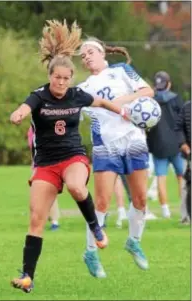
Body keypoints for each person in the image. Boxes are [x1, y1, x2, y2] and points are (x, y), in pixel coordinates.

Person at [10, 20, 127, 293]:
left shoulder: (76, 95)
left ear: (71, 77)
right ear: (50, 76)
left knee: (76, 187)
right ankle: (27, 276)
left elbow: (99, 102)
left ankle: (95, 227)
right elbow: (25, 107)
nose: (61, 82)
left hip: (73, 157)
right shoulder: (39, 96)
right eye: (56, 77)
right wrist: (18, 114)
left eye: (66, 78)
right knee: (37, 219)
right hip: (46, 164)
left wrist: (121, 111)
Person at [78, 37, 154, 277]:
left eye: (90, 51)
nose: (86, 56)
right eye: (83, 55)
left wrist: (117, 103)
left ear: (102, 54)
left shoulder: (122, 70)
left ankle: (134, 241)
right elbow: (68, 113)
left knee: (141, 198)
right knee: (101, 202)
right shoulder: (82, 88)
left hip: (134, 139)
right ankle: (90, 252)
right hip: (105, 146)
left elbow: (147, 91)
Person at [146, 71, 184, 219]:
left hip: (158, 146)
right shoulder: (176, 99)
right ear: (169, 84)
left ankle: (165, 211)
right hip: (176, 144)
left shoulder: (150, 101)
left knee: (160, 177)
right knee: (182, 176)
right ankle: (184, 207)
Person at [27, 126, 60, 230]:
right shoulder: (32, 131)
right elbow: (33, 149)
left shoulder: (48, 126)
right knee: (39, 194)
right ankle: (46, 219)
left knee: (49, 191)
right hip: (38, 164)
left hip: (48, 163)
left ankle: (54, 221)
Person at [175, 100, 191, 221]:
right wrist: (183, 143)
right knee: (188, 185)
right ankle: (185, 216)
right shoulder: (187, 107)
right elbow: (178, 128)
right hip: (189, 154)